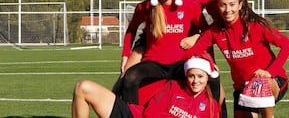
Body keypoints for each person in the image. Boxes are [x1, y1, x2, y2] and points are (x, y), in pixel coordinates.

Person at [114, 0, 211, 105]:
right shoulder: (149, 2)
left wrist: (197, 38)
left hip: (184, 52)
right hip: (154, 52)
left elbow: (209, 30)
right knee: (127, 77)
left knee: (212, 78)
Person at [188, 0, 289, 118]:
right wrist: (200, 48)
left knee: (260, 83)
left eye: (232, 4)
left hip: (271, 80)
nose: (227, 9)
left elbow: (287, 45)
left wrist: (269, 72)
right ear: (217, 7)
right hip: (242, 88)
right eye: (223, 5)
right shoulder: (215, 31)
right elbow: (194, 52)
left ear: (240, 5)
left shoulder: (256, 25)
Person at [72, 52, 221, 118]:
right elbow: (151, 113)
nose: (195, 81)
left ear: (208, 77)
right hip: (133, 115)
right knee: (83, 87)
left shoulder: (211, 106)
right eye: (191, 76)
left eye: (200, 76)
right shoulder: (173, 86)